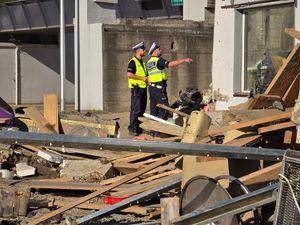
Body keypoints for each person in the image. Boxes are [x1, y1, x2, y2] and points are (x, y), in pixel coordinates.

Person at [146, 42, 193, 119]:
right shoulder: (158, 60)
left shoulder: (149, 62)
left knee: (154, 109)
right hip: (159, 89)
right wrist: (184, 60)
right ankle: (159, 128)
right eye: (159, 49)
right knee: (165, 109)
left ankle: (153, 129)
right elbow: (169, 64)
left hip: (152, 89)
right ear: (154, 51)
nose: (160, 51)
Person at [127, 42, 148, 136]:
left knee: (142, 109)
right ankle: (132, 128)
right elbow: (129, 74)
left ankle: (138, 128)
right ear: (139, 50)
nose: (145, 51)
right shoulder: (133, 62)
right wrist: (142, 78)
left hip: (143, 88)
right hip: (137, 89)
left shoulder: (143, 61)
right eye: (143, 49)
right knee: (136, 109)